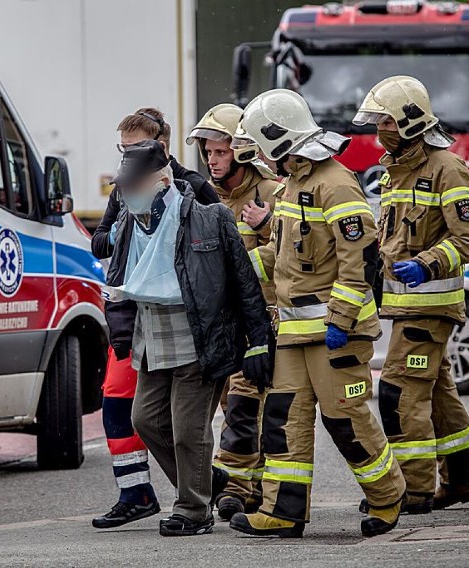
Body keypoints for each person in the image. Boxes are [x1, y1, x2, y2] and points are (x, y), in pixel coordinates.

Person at [229, 89, 406, 539]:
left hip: (334, 333)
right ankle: (282, 510)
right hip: (293, 331)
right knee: (283, 417)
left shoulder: (334, 182)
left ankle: (387, 496)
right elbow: (281, 254)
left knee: (344, 417)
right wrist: (237, 268)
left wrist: (341, 321)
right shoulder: (292, 182)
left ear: (276, 138)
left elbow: (360, 259)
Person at [104, 140, 273, 536]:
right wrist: (121, 332)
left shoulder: (209, 218)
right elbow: (117, 280)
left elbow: (243, 285)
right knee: (145, 420)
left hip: (200, 335)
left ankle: (193, 510)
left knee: (188, 430)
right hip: (151, 337)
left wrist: (259, 340)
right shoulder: (129, 223)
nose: (126, 193)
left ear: (160, 181)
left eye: (134, 184)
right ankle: (207, 482)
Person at [352, 76, 469, 514]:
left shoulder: (448, 169)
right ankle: (463, 478)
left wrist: (427, 263)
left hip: (431, 307)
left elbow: (468, 237)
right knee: (438, 393)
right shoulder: (396, 172)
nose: (378, 131)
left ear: (410, 122)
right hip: (406, 307)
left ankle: (414, 488)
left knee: (398, 391)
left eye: (386, 122)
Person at [90, 108, 220, 529]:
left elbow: (219, 257)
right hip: (137, 320)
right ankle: (148, 492)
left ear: (160, 146)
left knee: (188, 426)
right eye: (122, 150)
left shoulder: (194, 191)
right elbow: (102, 247)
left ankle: (194, 502)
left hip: (190, 324)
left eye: (134, 149)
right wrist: (118, 234)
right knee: (131, 413)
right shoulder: (126, 191)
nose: (126, 158)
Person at [185, 103, 280, 520]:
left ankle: (236, 488)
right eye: (207, 152)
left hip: (260, 322)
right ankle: (255, 485)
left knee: (244, 405)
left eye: (219, 151)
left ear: (242, 150)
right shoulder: (204, 199)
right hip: (220, 326)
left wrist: (265, 227)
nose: (212, 159)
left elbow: (298, 256)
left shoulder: (274, 195)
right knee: (233, 406)